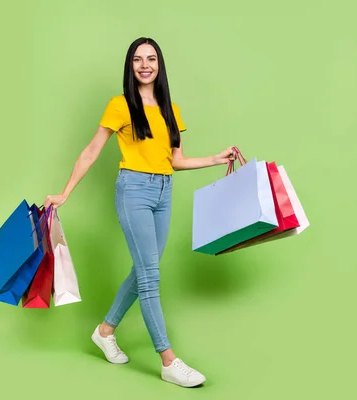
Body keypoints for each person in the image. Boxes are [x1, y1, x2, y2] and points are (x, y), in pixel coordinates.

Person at [43, 37, 235, 388]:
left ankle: (104, 331)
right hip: (133, 190)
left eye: (151, 59)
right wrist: (66, 193)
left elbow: (175, 161)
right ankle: (168, 360)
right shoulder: (120, 105)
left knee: (146, 269)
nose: (144, 65)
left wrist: (215, 159)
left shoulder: (170, 109)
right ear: (130, 67)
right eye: (137, 60)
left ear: (159, 65)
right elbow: (91, 151)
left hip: (164, 191)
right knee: (150, 276)